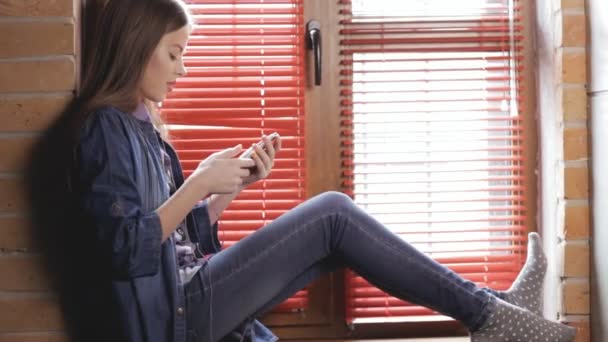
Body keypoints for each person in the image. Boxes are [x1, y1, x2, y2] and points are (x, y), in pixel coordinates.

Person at [26, 0, 577, 341]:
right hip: (171, 320)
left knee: (337, 239)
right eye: (174, 54)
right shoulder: (103, 132)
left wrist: (226, 190)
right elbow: (123, 251)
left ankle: (495, 308)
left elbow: (180, 241)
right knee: (333, 213)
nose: (183, 69)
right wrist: (197, 184)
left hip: (186, 295)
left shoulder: (147, 131)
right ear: (136, 48)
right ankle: (490, 314)